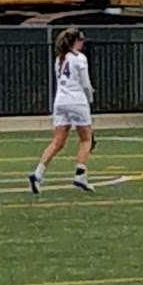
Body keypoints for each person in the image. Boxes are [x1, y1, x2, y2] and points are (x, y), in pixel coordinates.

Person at [29, 28, 95, 194]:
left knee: (57, 142)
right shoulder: (80, 58)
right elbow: (85, 83)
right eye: (81, 40)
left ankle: (38, 174)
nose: (83, 43)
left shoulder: (59, 59)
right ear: (75, 41)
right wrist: (90, 98)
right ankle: (80, 175)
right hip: (77, 101)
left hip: (60, 101)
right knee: (87, 139)